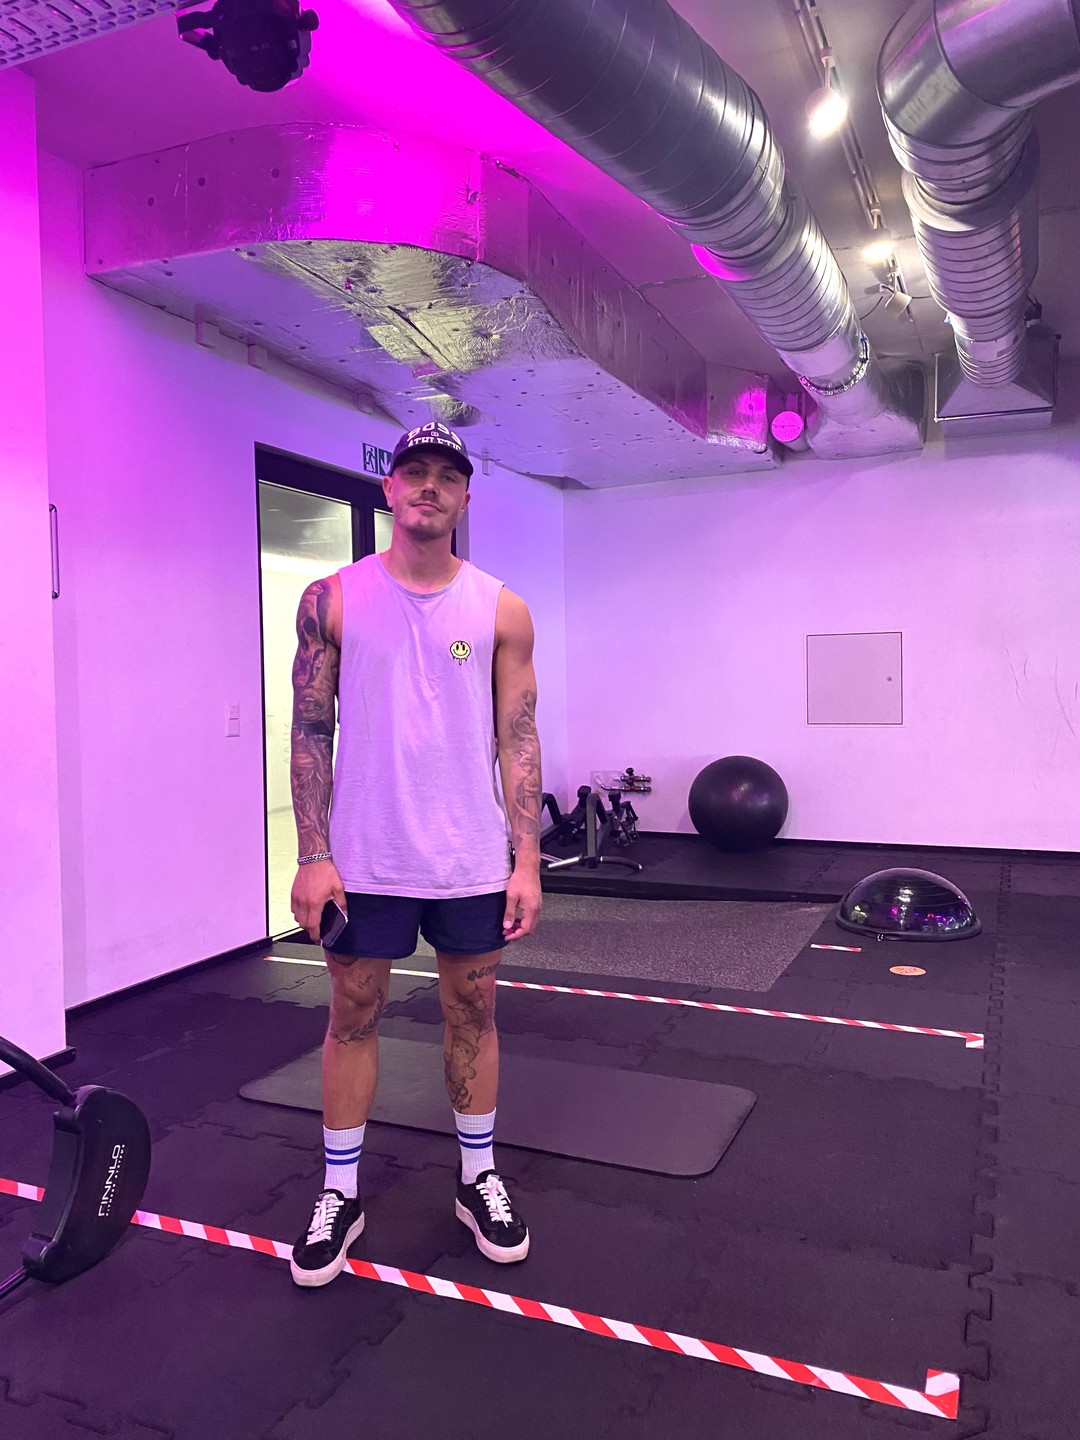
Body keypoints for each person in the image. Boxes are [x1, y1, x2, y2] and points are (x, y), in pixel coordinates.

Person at [287, 420, 543, 1288]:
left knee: (473, 1011)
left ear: (464, 498)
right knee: (352, 1012)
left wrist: (527, 861)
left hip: (470, 859)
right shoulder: (333, 598)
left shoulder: (502, 609)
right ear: (388, 488)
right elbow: (310, 729)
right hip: (365, 858)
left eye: (447, 476)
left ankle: (477, 1179)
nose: (429, 486)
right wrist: (313, 853)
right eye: (414, 472)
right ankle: (340, 1192)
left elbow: (518, 738)